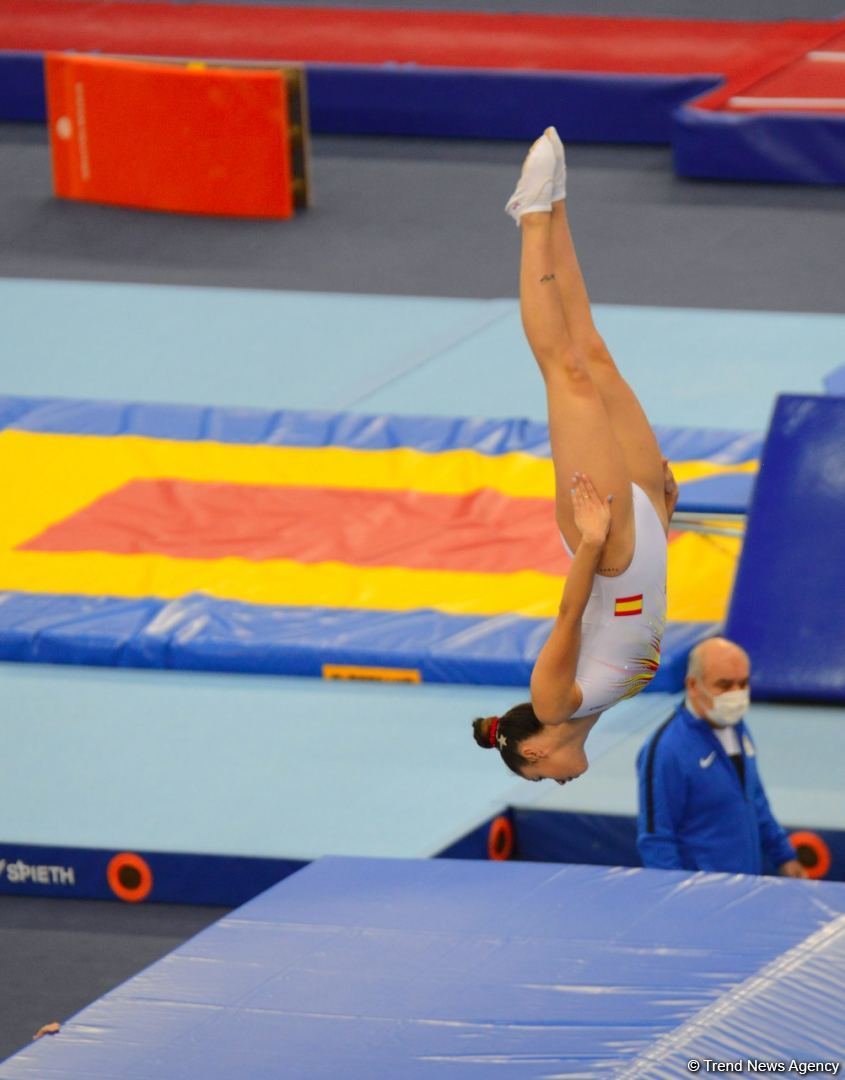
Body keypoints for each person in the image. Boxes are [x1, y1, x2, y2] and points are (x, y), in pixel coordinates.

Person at [473, 128, 677, 784]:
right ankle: (557, 204)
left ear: (532, 751)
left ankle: (530, 217)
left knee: (567, 374)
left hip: (605, 542)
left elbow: (570, 616)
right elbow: (639, 618)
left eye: (544, 778)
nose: (561, 780)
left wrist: (591, 542)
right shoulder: (611, 700)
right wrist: (661, 522)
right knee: (593, 353)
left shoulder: (552, 701)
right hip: (642, 529)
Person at [636, 636, 805, 877]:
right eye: (725, 685)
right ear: (693, 685)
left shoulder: (735, 726)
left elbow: (753, 799)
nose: (736, 695)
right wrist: (675, 901)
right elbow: (656, 840)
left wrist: (784, 856)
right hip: (702, 898)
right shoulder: (666, 750)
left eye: (743, 683)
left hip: (745, 885)